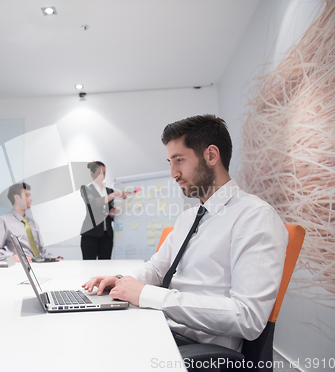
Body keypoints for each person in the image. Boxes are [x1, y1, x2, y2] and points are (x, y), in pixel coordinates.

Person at [82, 115, 288, 352]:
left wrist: (148, 295)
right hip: (161, 328)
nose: (173, 173)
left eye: (179, 160)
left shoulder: (254, 217)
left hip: (198, 351)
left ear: (211, 155)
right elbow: (157, 269)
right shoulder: (188, 218)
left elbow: (247, 318)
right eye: (170, 161)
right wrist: (121, 280)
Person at [0, 183, 61, 262]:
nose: (31, 199)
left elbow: (41, 252)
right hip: (21, 268)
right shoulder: (2, 221)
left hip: (39, 266)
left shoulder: (33, 224)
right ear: (17, 197)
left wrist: (56, 258)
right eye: (27, 195)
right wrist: (12, 257)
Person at [80, 161, 128, 260]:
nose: (102, 176)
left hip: (107, 235)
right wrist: (115, 195)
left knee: (106, 266)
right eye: (99, 173)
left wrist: (113, 214)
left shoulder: (109, 191)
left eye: (104, 173)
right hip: (90, 234)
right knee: (89, 266)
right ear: (92, 173)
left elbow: (110, 210)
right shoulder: (85, 189)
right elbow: (94, 203)